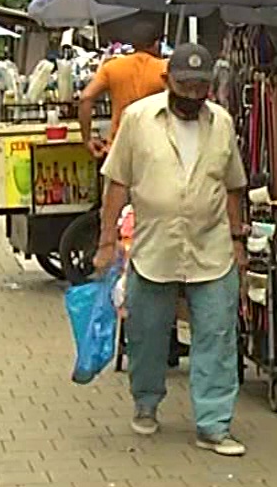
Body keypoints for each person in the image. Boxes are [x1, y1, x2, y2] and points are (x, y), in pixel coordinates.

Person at [92, 44, 248, 457]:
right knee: (146, 333)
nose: (193, 95)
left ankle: (214, 424)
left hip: (211, 247)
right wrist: (107, 241)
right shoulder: (139, 119)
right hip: (153, 248)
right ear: (167, 82)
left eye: (201, 86)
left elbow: (233, 185)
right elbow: (118, 184)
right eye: (185, 85)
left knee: (217, 333)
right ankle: (145, 401)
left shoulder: (222, 124)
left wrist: (237, 240)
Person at [78, 17, 168, 157]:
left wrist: (87, 139)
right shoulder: (164, 69)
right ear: (156, 44)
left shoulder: (112, 67)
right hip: (154, 147)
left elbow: (85, 98)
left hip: (119, 146)